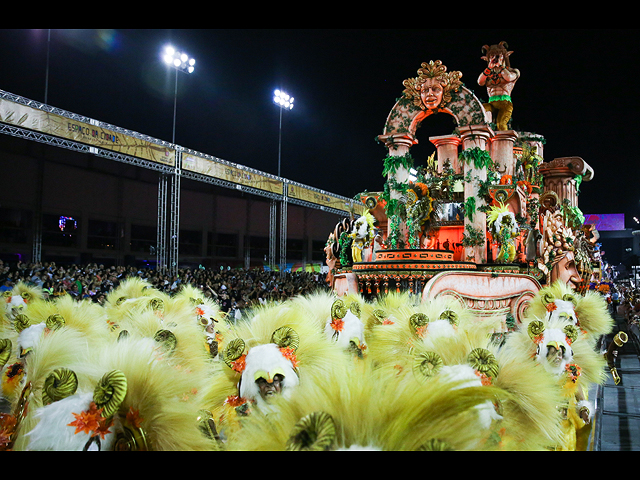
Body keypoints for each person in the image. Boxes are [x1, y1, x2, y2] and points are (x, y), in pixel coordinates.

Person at [477, 41, 520, 131]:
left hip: (505, 103)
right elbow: (479, 82)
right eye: (492, 57)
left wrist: (500, 66)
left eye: (497, 56)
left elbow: (508, 77)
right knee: (481, 110)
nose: (495, 59)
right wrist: (489, 68)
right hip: (491, 103)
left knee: (501, 125)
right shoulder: (487, 74)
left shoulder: (513, 71)